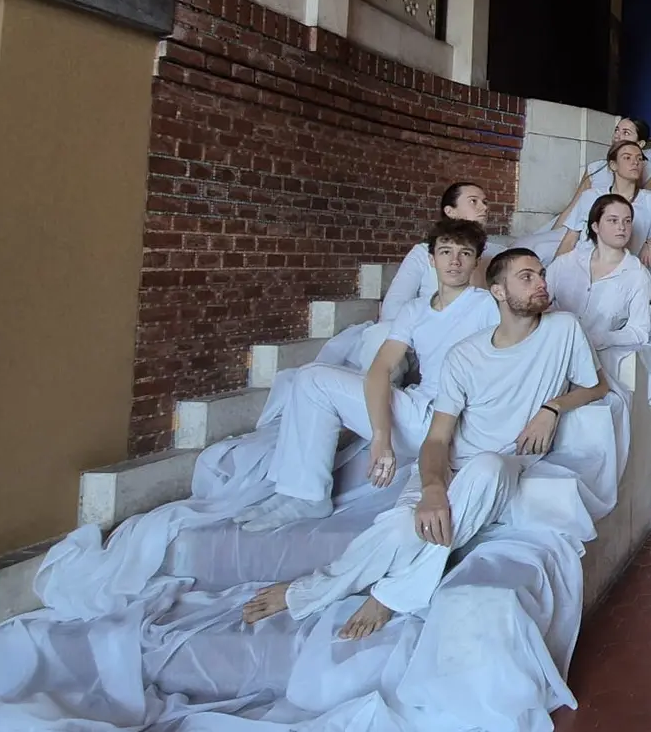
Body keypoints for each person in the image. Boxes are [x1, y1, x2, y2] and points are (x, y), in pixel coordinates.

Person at [241, 248, 606, 640]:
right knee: (402, 528)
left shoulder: (563, 328)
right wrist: (433, 487)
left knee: (488, 466)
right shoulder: (465, 356)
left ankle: (378, 595)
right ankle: (332, 590)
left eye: (542, 275)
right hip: (450, 465)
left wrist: (552, 407)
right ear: (498, 291)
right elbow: (436, 439)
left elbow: (595, 385)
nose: (541, 284)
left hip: (503, 465)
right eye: (528, 277)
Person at [235, 219, 502, 531]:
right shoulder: (415, 310)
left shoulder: (486, 305)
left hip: (450, 424)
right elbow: (380, 370)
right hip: (414, 414)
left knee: (315, 379)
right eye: (445, 252)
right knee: (310, 379)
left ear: (475, 261)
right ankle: (302, 495)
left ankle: (302, 494)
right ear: (431, 260)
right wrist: (381, 437)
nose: (454, 261)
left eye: (464, 253)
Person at [548, 193, 651, 378]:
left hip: (597, 363)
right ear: (595, 226)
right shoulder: (565, 263)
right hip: (552, 354)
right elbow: (536, 305)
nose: (622, 227)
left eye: (627, 221)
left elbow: (640, 331)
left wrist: (600, 338)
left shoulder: (637, 275)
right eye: (613, 220)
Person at [380, 182, 509, 324]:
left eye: (485, 202)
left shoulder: (499, 252)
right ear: (450, 211)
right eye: (473, 201)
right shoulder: (423, 252)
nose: (484, 207)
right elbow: (394, 306)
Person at [557, 141, 651, 267]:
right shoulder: (590, 196)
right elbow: (569, 240)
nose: (635, 162)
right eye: (627, 158)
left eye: (639, 159)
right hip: (580, 267)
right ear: (613, 165)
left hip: (620, 272)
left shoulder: (650, 200)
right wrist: (552, 275)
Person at [551, 117, 651, 231]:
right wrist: (554, 232)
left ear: (640, 143)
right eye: (616, 130)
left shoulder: (646, 168)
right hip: (582, 224)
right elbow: (574, 206)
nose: (617, 136)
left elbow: (648, 210)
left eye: (626, 133)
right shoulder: (595, 168)